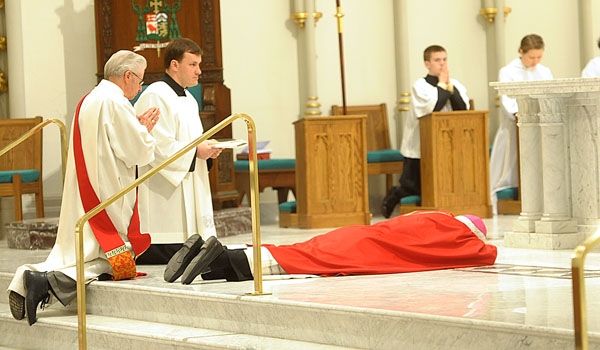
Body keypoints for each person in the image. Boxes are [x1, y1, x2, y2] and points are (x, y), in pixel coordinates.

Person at [7, 50, 159, 325]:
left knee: (77, 251)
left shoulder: (89, 99)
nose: (140, 87)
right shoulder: (117, 102)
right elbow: (135, 152)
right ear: (127, 76)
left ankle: (22, 280)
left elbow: (108, 141)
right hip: (107, 194)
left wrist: (135, 128)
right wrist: (145, 132)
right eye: (140, 80)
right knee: (111, 259)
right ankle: (43, 282)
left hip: (86, 190)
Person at [163, 210, 497, 284]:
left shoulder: (433, 217)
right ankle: (222, 257)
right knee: (308, 259)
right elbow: (484, 253)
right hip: (367, 248)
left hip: (361, 234)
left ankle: (211, 260)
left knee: (306, 249)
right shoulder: (455, 238)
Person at [133, 38, 222, 266]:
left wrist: (206, 150)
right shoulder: (156, 95)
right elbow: (156, 145)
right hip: (162, 190)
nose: (199, 71)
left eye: (199, 65)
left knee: (196, 243)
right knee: (172, 242)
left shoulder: (189, 99)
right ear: (175, 64)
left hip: (189, 176)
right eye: (193, 65)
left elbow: (192, 140)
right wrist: (195, 153)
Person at [381, 45, 470, 218]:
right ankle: (393, 196)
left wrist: (449, 87)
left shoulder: (455, 84)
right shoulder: (420, 86)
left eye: (444, 59)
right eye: (437, 60)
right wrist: (443, 87)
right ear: (427, 64)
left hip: (447, 145)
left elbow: (463, 109)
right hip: (420, 145)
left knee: (439, 183)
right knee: (412, 186)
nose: (442, 64)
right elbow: (433, 108)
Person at [489, 34, 553, 214]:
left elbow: (550, 96)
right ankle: (509, 201)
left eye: (539, 57)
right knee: (507, 170)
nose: (535, 61)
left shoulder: (544, 71)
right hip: (513, 129)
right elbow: (507, 103)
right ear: (520, 52)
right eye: (531, 57)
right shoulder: (507, 71)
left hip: (541, 127)